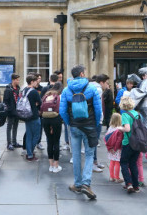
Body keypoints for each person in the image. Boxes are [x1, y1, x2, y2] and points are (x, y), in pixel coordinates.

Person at [63, 65, 103, 201]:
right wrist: (95, 124)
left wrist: (70, 123)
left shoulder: (66, 90)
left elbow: (62, 111)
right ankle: (86, 183)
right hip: (90, 126)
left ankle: (78, 184)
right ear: (81, 73)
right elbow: (98, 110)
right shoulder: (91, 88)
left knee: (76, 155)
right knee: (90, 154)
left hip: (74, 127)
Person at [117, 98, 145, 193]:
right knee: (133, 163)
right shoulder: (137, 114)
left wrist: (120, 128)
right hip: (138, 142)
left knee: (124, 162)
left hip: (128, 142)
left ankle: (128, 183)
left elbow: (127, 129)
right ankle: (136, 185)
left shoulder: (125, 115)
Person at [20, 74, 44, 162]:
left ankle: (29, 154)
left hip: (26, 115)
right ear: (31, 82)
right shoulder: (34, 91)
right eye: (35, 81)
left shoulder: (23, 90)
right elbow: (40, 102)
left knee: (29, 135)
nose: (36, 82)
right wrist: (36, 104)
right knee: (37, 135)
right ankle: (30, 153)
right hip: (34, 115)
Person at [42, 89, 63, 173]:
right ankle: (56, 166)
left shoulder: (45, 97)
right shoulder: (58, 97)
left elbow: (41, 108)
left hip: (45, 119)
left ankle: (50, 165)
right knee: (56, 142)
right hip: (56, 120)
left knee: (49, 142)